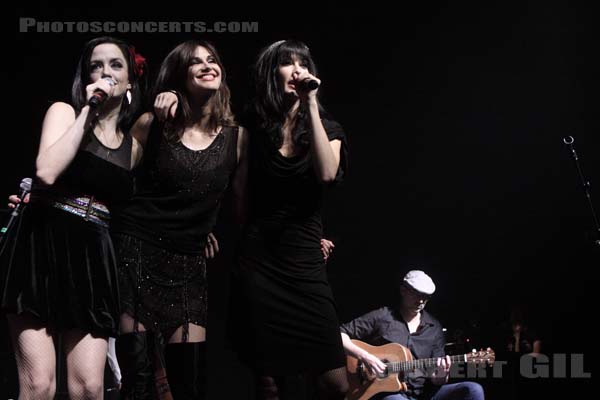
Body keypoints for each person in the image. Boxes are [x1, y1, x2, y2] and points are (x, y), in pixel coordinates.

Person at [0, 36, 144, 399]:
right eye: (96, 66)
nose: (105, 73)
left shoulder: (133, 145)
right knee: (39, 384)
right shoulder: (65, 112)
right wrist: (88, 112)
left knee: (89, 387)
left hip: (92, 256)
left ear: (130, 81)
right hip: (41, 245)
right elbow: (46, 170)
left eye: (115, 65)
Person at [110, 39, 247, 399]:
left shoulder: (237, 139)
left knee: (189, 382)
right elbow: (112, 181)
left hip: (188, 263)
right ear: (178, 75)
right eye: (195, 62)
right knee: (138, 380)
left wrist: (206, 227)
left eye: (212, 59)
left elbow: (242, 206)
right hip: (138, 252)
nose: (207, 65)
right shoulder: (152, 124)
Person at [229, 39, 350, 399]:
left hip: (304, 263)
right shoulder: (252, 126)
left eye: (302, 63)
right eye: (287, 62)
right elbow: (238, 195)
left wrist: (310, 103)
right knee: (269, 383)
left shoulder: (328, 127)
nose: (297, 70)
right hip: (259, 262)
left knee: (334, 382)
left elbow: (327, 174)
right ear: (272, 72)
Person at [340, 270, 485, 400]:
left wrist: (441, 375)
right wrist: (365, 357)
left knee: (473, 390)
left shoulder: (434, 328)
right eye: (416, 294)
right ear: (403, 290)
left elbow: (435, 378)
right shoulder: (382, 316)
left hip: (424, 393)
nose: (421, 301)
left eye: (425, 296)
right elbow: (339, 334)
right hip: (387, 392)